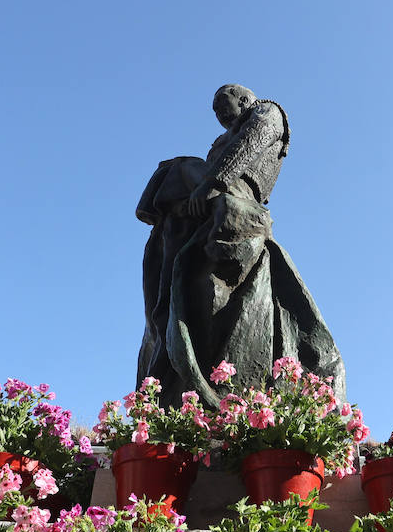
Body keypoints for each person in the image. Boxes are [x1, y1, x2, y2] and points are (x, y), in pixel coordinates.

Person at [135, 84, 346, 408]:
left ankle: (154, 207)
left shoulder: (268, 112)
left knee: (178, 166)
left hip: (235, 192)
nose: (220, 114)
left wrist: (210, 184)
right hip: (216, 192)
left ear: (244, 98)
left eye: (224, 105)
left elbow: (246, 149)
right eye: (216, 111)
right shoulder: (227, 135)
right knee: (173, 169)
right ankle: (156, 211)